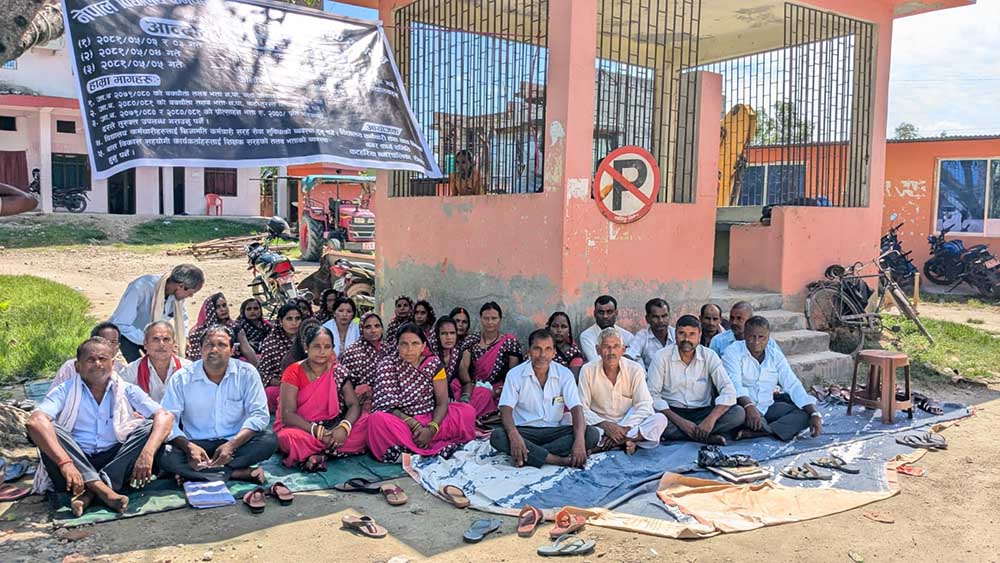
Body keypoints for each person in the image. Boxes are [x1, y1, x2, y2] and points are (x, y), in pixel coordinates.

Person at [27, 337, 174, 516]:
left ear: (113, 364)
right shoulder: (65, 390)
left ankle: (91, 492)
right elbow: (35, 421)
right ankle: (104, 491)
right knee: (50, 429)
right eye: (90, 359)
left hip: (115, 463)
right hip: (75, 467)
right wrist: (66, 463)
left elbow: (165, 416)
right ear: (77, 366)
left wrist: (147, 454)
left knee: (149, 427)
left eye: (103, 359)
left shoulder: (126, 389)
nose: (97, 364)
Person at [159, 326, 277, 483]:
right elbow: (168, 419)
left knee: (269, 440)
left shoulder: (247, 373)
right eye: (209, 345)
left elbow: (259, 415)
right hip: (195, 445)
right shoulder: (182, 378)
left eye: (221, 345)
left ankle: (195, 473)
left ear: (232, 350)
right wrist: (189, 447)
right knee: (163, 453)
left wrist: (232, 445)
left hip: (236, 443)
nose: (214, 350)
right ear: (200, 349)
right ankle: (236, 473)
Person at [366, 324, 477, 463]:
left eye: (415, 344)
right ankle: (416, 445)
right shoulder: (387, 365)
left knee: (467, 412)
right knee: (376, 419)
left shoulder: (433, 364)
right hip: (402, 421)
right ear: (397, 345)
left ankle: (408, 447)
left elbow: (442, 403)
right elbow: (386, 406)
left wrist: (431, 429)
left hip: (430, 417)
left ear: (423, 345)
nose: (410, 349)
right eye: (404, 344)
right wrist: (415, 425)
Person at [490, 329, 598, 468]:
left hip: (554, 431)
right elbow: (505, 410)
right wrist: (514, 436)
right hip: (524, 431)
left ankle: (528, 454)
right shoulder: (514, 375)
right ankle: (559, 460)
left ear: (554, 352)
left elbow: (576, 410)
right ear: (529, 351)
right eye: (537, 349)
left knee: (591, 434)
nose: (542, 355)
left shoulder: (564, 374)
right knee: (498, 436)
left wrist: (579, 442)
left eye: (548, 349)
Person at [276, 325, 369, 471]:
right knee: (286, 438)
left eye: (327, 347)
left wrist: (344, 428)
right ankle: (329, 450)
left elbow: (353, 404)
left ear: (333, 348)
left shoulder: (338, 371)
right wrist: (318, 432)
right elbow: (287, 414)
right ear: (306, 347)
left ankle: (316, 454)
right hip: (304, 428)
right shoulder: (293, 371)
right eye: (317, 346)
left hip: (335, 426)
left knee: (367, 421)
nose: (322, 351)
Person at [647, 315, 745, 445]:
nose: (686, 339)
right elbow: (652, 395)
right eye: (681, 333)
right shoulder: (661, 356)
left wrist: (710, 420)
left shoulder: (709, 356)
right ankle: (705, 436)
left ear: (699, 336)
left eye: (692, 334)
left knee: (738, 413)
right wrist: (681, 422)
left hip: (702, 412)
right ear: (675, 335)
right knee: (653, 418)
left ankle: (691, 434)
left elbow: (728, 391)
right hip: (672, 412)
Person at [723, 316, 823, 441]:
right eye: (752, 337)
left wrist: (814, 413)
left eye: (761, 337)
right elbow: (734, 384)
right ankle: (773, 429)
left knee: (805, 415)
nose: (756, 342)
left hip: (767, 407)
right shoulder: (733, 351)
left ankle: (762, 432)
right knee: (738, 415)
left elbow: (792, 384)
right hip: (744, 408)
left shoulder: (775, 356)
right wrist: (749, 406)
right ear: (745, 335)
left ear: (768, 337)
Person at [580, 329, 668, 453]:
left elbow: (645, 405)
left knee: (660, 419)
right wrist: (606, 425)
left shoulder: (635, 369)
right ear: (598, 350)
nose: (611, 352)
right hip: (600, 425)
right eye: (606, 347)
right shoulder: (587, 370)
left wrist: (623, 428)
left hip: (628, 425)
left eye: (616, 347)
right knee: (578, 426)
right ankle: (628, 441)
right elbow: (582, 409)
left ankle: (614, 442)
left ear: (623, 350)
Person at [110, 264, 204, 361]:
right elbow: (121, 324)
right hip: (127, 334)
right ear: (181, 286)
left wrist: (184, 338)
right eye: (191, 292)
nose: (191, 296)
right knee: (137, 366)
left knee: (163, 362)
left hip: (153, 336)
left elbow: (182, 316)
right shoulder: (140, 288)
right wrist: (150, 341)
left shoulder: (177, 297)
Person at [459, 302, 522, 412]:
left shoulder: (510, 342)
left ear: (500, 319)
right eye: (486, 318)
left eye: (494, 318)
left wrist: (500, 391)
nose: (490, 322)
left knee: (486, 395)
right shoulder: (471, 340)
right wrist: (470, 386)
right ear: (480, 319)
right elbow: (464, 368)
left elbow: (513, 373)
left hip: (498, 389)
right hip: (473, 387)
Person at [435, 316, 493, 418]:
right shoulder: (430, 356)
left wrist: (465, 399)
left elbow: (466, 382)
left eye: (452, 333)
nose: (449, 337)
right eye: (444, 333)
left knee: (484, 393)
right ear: (437, 335)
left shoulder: (456, 355)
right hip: (431, 401)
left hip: (450, 399)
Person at [122, 321, 191, 402]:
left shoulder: (189, 370)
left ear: (174, 344)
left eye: (166, 339)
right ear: (145, 344)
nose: (161, 344)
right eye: (155, 339)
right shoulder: (131, 372)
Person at [186, 293, 258, 366]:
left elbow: (248, 351)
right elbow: (195, 359)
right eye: (218, 307)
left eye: (224, 305)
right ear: (210, 310)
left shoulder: (235, 328)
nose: (223, 309)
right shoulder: (198, 332)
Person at [51, 322, 128, 390]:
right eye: (104, 341)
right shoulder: (70, 367)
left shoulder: (120, 369)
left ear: (118, 346)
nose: (109, 346)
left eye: (113, 342)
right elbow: (54, 396)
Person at [257, 303, 302, 412]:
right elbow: (265, 373)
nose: (294, 323)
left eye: (297, 318)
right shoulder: (271, 342)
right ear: (281, 321)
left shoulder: (307, 339)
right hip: (281, 385)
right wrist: (285, 384)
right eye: (289, 319)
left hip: (306, 384)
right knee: (270, 393)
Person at [339, 312, 386, 408]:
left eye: (377, 326)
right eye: (368, 327)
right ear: (361, 330)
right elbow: (345, 384)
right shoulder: (352, 352)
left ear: (382, 329)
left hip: (386, 398)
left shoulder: (388, 349)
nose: (373, 330)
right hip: (359, 403)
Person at [578, 295, 633, 363]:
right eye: (601, 312)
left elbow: (637, 361)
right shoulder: (587, 336)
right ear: (595, 314)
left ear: (616, 313)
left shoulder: (627, 336)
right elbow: (596, 362)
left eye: (609, 312)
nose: (605, 316)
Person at [625, 298, 676, 371]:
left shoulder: (676, 334)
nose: (661, 321)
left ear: (669, 316)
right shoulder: (642, 336)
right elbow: (628, 356)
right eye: (656, 317)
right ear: (647, 319)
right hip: (651, 377)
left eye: (664, 316)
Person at [546, 312, 585, 377]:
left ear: (569, 331)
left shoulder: (574, 354)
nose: (559, 330)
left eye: (563, 327)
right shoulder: (540, 349)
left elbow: (572, 379)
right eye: (555, 326)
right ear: (548, 329)